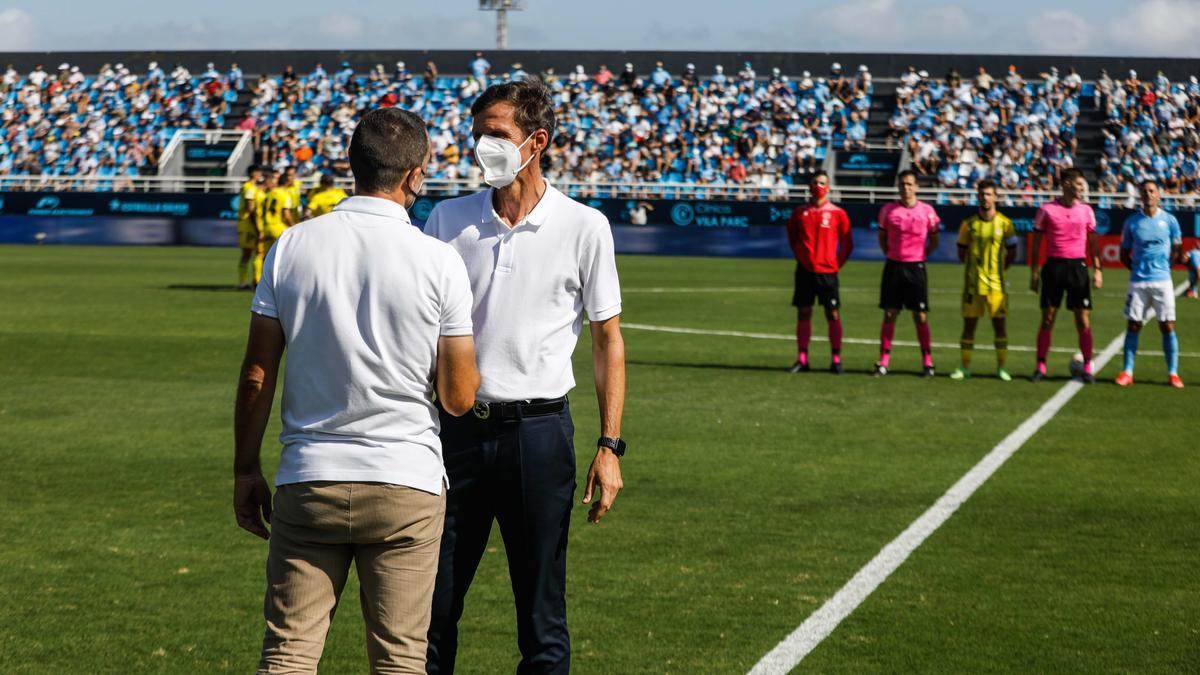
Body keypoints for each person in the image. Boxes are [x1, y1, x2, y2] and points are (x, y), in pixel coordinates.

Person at [233, 107, 480, 673]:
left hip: (310, 474)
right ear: (416, 175)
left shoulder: (292, 246)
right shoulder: (440, 260)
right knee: (399, 659)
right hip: (405, 479)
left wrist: (246, 469)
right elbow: (460, 397)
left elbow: (256, 374)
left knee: (289, 654)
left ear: (352, 164)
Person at [423, 78, 626, 675]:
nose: (481, 146)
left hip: (538, 436)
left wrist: (609, 444)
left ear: (536, 141)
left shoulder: (585, 226)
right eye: (477, 134)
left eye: (496, 135)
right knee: (430, 612)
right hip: (453, 433)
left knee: (541, 617)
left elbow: (607, 339)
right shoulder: (446, 218)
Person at [1029, 168, 1102, 383]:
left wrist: (1098, 270)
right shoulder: (1046, 210)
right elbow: (1036, 244)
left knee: (1083, 319)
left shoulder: (1087, 211)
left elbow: (1093, 243)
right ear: (1067, 184)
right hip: (1054, 268)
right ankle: (1040, 366)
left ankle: (1088, 367)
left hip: (1078, 268)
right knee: (1048, 318)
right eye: (1079, 185)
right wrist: (1034, 273)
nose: (1082, 189)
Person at [1115, 179, 1184, 388]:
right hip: (1138, 282)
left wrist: (1166, 267)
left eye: (1152, 191)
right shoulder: (1132, 222)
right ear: (1140, 195)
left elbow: (1178, 250)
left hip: (1163, 281)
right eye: (1144, 191)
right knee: (1133, 325)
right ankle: (1127, 371)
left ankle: (1173, 373)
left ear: (1158, 195)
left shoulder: (1170, 220)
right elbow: (1124, 254)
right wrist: (1137, 269)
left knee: (1167, 326)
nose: (1148, 194)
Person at [874, 169, 941, 377]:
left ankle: (927, 362)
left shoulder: (927, 211)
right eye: (902, 184)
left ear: (917, 187)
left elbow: (934, 241)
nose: (906, 188)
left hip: (916, 267)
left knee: (920, 316)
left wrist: (920, 255)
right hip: (894, 266)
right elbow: (882, 238)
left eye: (910, 184)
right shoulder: (888, 210)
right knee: (890, 313)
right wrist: (892, 254)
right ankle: (884, 361)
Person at [950, 180, 1018, 381]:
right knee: (969, 326)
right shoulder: (968, 224)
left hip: (996, 286)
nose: (985, 198)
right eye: (982, 194)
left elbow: (1013, 251)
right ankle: (964, 367)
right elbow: (961, 252)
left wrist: (1000, 271)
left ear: (995, 197)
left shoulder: (1005, 224)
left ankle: (1001, 368)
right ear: (977, 196)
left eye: (989, 194)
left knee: (999, 326)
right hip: (973, 286)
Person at [786, 170, 853, 374]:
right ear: (809, 186)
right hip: (805, 271)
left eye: (822, 182)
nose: (818, 186)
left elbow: (847, 244)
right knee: (804, 312)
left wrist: (834, 264)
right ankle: (802, 359)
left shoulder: (838, 213)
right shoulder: (800, 212)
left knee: (832, 313)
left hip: (828, 273)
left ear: (829, 187)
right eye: (815, 182)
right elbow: (793, 238)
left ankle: (836, 359)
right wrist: (802, 257)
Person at [255, 171, 295, 283]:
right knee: (284, 257)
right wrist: (295, 226)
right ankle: (280, 282)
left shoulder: (269, 193)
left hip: (267, 227)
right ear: (287, 181)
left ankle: (263, 280)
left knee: (266, 257)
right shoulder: (285, 194)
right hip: (278, 228)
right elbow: (286, 215)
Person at [236, 165, 264, 290]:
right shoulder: (249, 188)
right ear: (253, 173)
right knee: (247, 253)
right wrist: (257, 227)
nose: (260, 174)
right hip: (248, 224)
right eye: (258, 172)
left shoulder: (253, 188)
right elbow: (250, 208)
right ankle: (242, 282)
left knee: (258, 252)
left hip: (253, 224)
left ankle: (256, 281)